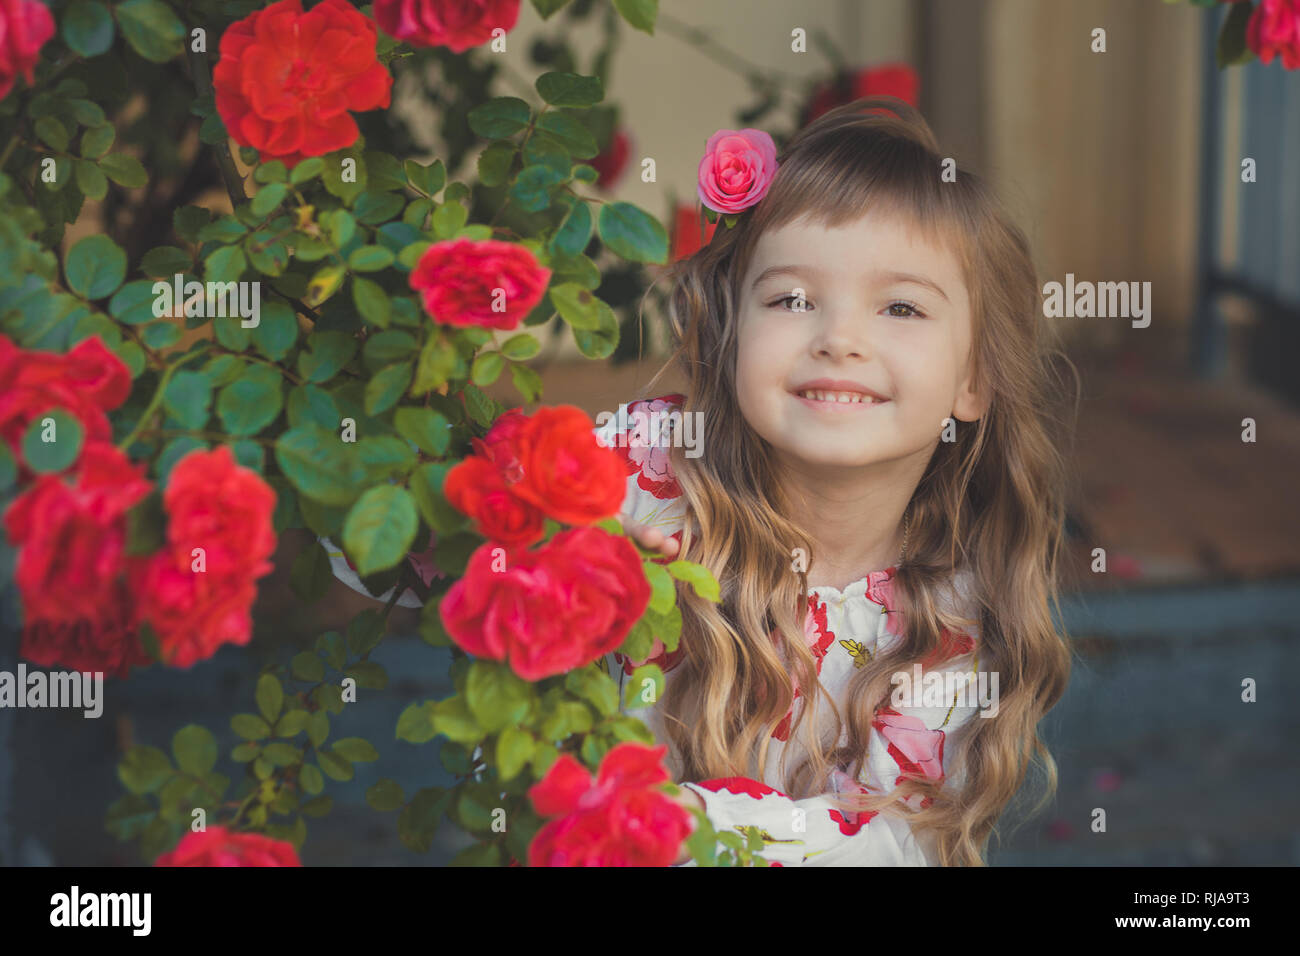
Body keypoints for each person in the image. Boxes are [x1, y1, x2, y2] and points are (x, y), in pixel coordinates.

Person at [327, 96, 1078, 867]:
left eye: (900, 306)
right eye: (791, 298)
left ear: (975, 378)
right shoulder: (647, 466)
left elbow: (893, 846)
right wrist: (536, 544)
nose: (840, 338)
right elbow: (385, 554)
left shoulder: (954, 606)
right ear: (731, 330)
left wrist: (662, 823)